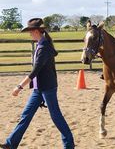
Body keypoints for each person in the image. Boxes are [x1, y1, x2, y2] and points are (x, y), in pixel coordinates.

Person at [0, 18, 75, 149]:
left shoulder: (44, 47)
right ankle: (11, 144)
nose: (29, 34)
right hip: (38, 88)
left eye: (30, 31)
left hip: (48, 88)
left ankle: (69, 145)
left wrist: (19, 87)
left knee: (56, 116)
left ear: (36, 31)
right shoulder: (40, 45)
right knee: (26, 115)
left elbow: (35, 70)